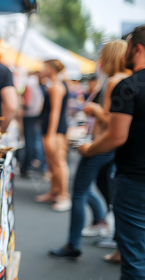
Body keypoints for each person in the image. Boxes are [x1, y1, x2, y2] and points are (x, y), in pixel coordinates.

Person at [49, 40, 131, 259]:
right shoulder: (122, 79)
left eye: (103, 56)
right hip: (111, 148)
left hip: (100, 146)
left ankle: (73, 244)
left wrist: (94, 110)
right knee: (107, 191)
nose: (99, 61)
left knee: (79, 193)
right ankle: (113, 237)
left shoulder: (115, 80)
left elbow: (111, 119)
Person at [78, 25, 145, 279]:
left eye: (128, 46)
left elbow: (117, 135)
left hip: (135, 179)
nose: (125, 51)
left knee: (135, 261)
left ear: (137, 48)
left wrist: (89, 149)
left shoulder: (128, 85)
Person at [35, 59, 71, 211]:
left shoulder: (56, 86)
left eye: (44, 67)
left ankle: (64, 195)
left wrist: (50, 135)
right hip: (52, 130)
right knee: (52, 163)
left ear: (50, 69)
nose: (42, 70)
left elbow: (55, 112)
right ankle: (54, 192)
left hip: (55, 131)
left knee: (58, 162)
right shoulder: (54, 84)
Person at [21, 72, 47, 176]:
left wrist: (20, 101)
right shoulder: (40, 84)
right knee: (36, 140)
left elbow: (27, 102)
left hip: (29, 115)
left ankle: (27, 166)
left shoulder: (30, 82)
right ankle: (38, 164)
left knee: (29, 141)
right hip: (37, 115)